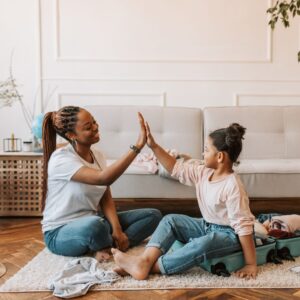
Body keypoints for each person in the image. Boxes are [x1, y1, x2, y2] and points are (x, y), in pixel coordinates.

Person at [112, 122, 257, 279]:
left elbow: (243, 227)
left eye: (207, 150)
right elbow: (175, 168)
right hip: (207, 226)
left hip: (230, 236)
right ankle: (144, 260)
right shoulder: (203, 172)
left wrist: (250, 264)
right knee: (171, 220)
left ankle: (148, 267)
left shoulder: (233, 186)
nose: (203, 154)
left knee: (201, 244)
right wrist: (153, 146)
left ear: (220, 156)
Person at [41, 106, 162, 260]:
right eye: (88, 127)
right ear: (71, 135)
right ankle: (108, 245)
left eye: (94, 122)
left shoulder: (98, 156)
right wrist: (138, 146)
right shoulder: (61, 159)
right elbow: (103, 178)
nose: (96, 127)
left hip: (95, 220)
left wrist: (117, 230)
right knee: (95, 226)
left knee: (153, 216)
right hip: (60, 232)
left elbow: (106, 196)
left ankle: (109, 246)